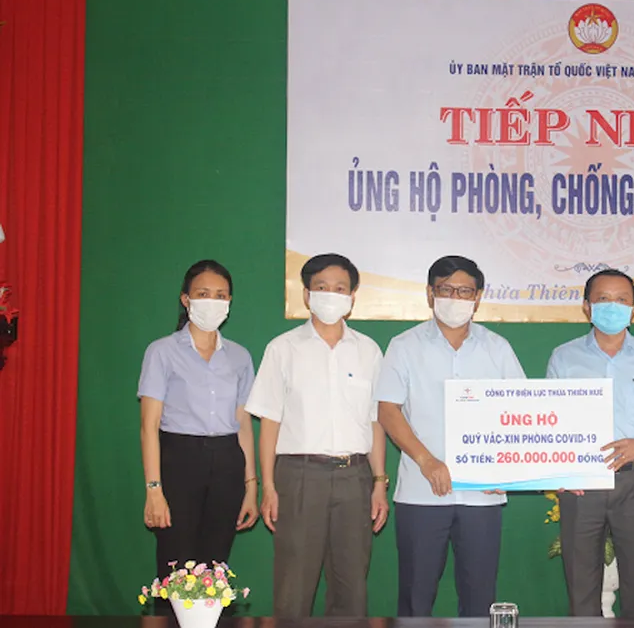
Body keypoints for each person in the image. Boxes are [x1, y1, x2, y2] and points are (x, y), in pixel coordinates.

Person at [376, 255, 525, 617]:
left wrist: (506, 468)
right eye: (446, 289)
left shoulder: (498, 348)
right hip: (421, 491)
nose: (455, 298)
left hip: (483, 495)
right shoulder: (404, 345)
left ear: (478, 297)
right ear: (430, 294)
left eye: (465, 291)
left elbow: (521, 410)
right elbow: (388, 410)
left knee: (480, 597)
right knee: (416, 595)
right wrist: (426, 460)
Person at [244, 253, 388, 617]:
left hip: (355, 476)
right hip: (299, 476)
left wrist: (379, 483)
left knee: (351, 586)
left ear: (352, 296)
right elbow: (270, 422)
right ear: (307, 295)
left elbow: (375, 421)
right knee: (294, 585)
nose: (331, 295)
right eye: (322, 287)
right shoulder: (283, 349)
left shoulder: (368, 351)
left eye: (340, 288)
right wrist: (268, 487)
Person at [546, 268, 634, 618]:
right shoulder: (564, 357)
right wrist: (559, 469)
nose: (613, 306)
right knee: (581, 584)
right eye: (603, 299)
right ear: (587, 306)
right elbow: (550, 417)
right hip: (581, 482)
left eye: (622, 299)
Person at [138, 260, 258, 583]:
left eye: (221, 295)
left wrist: (251, 486)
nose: (212, 301)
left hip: (228, 463)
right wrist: (154, 490)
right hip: (179, 460)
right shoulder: (162, 352)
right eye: (203, 294)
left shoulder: (240, 356)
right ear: (186, 299)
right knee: (175, 568)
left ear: (229, 302)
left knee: (214, 569)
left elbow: (243, 424)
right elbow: (149, 427)